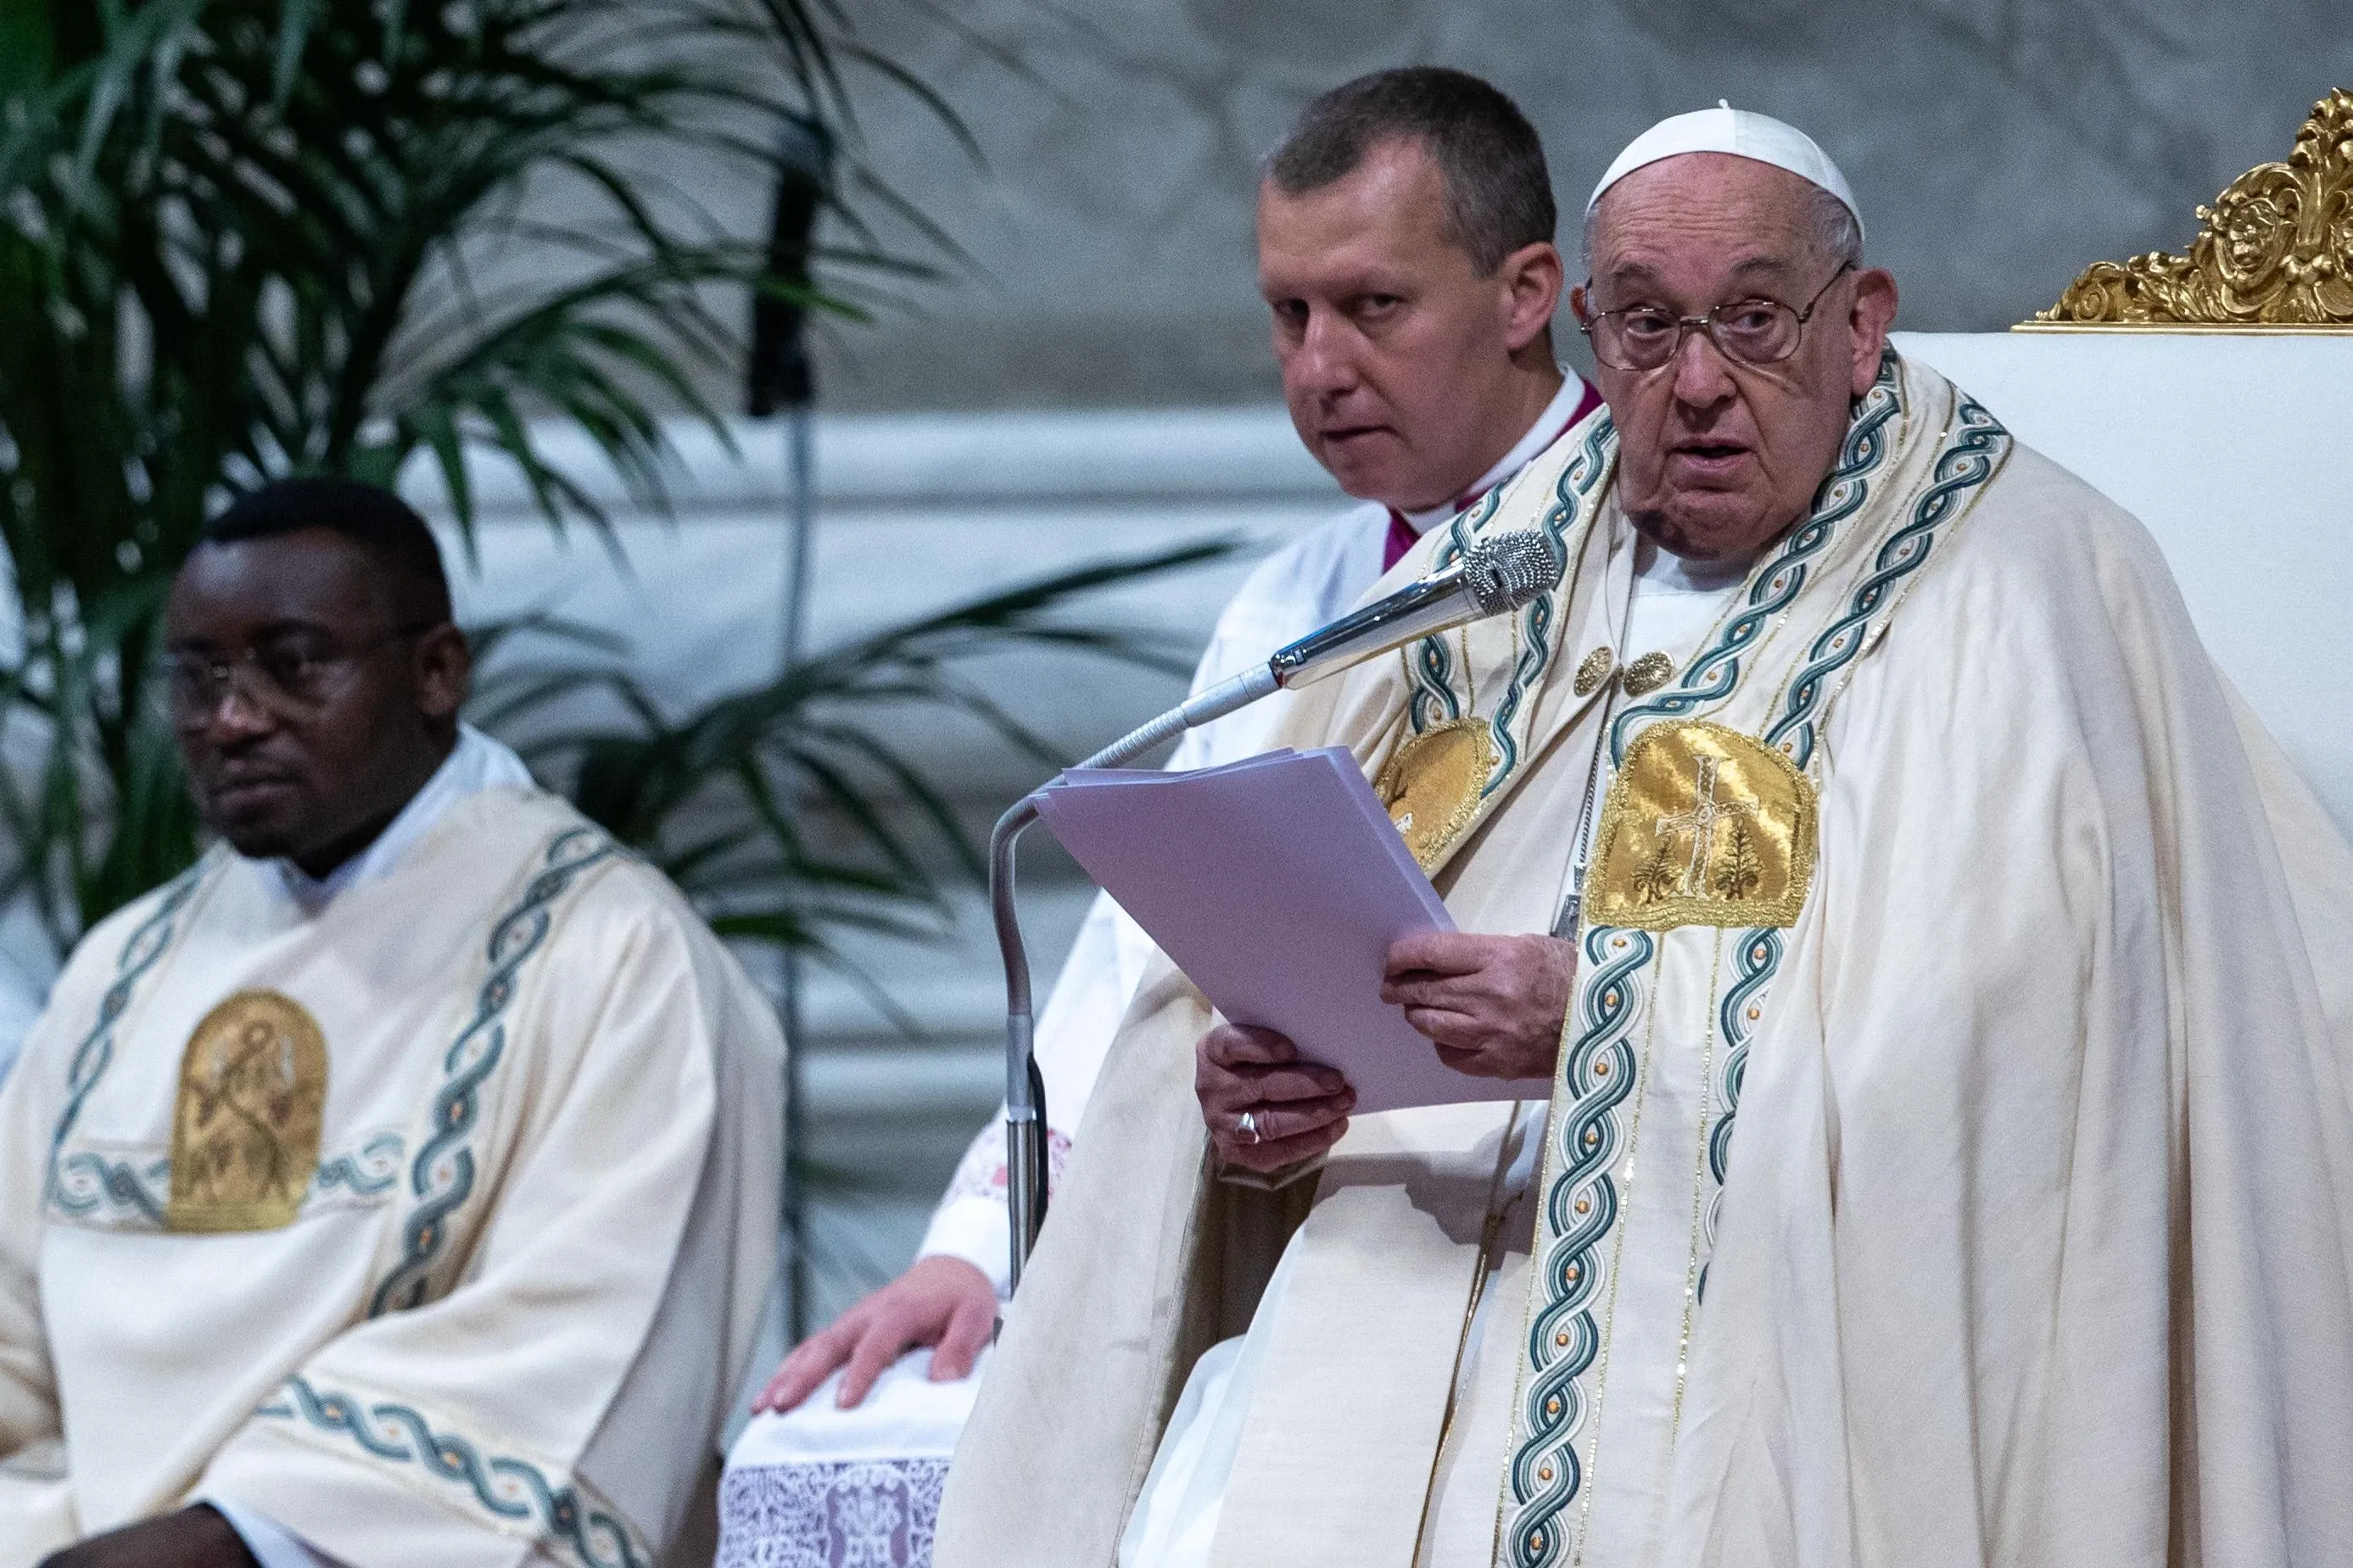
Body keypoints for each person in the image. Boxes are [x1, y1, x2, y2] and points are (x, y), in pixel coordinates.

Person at [936, 104, 2353, 1568]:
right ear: (1584, 331)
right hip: (1394, 1300)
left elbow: (2032, 1046)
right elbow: (1267, 964)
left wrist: (1594, 1017)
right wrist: (1254, 1096)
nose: (1691, 385)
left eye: (1751, 319)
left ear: (1858, 326)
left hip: (1759, 1329)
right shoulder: (1498, 573)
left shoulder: (2024, 582)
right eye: (1643, 328)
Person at [714, 67, 1600, 1556]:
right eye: (1285, 313)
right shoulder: (1291, 597)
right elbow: (1137, 973)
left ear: (1525, 294)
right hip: (1293, 1231)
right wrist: (976, 1247)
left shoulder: (1649, 556)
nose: (1316, 364)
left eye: (1370, 307)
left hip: (1540, 1238)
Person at [0, 479, 785, 1567]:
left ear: (436, 672)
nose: (233, 717)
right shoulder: (125, 971)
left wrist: (237, 1542)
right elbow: (12, 1336)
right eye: (198, 677)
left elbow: (585, 1338)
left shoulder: (612, 957)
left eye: (293, 662)